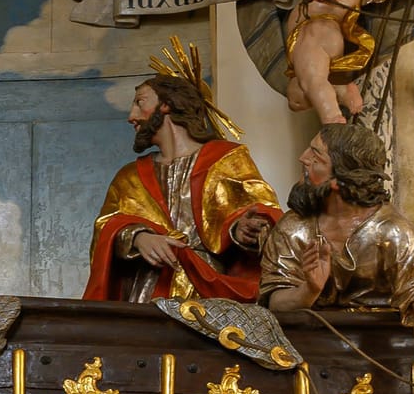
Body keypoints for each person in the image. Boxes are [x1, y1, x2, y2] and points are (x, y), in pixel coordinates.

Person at [259, 120, 414, 394]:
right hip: (305, 363)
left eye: (316, 156)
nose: (303, 158)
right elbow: (275, 301)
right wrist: (308, 290)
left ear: (340, 179)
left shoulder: (392, 233)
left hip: (381, 365)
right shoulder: (294, 228)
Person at [85, 40, 282, 302]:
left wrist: (244, 229)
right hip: (145, 290)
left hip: (209, 289)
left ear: (166, 105)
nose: (131, 116)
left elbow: (261, 209)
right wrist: (137, 237)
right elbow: (105, 226)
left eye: (140, 103)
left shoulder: (225, 159)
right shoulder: (129, 177)